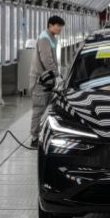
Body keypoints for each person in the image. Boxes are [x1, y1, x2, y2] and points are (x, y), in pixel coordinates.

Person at [30, 15, 65, 147]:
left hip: (47, 80)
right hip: (40, 80)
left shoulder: (52, 37)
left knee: (48, 108)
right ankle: (34, 138)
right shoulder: (44, 38)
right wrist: (56, 75)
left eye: (61, 26)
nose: (60, 28)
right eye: (58, 26)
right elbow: (47, 60)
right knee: (39, 109)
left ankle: (42, 134)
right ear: (50, 25)